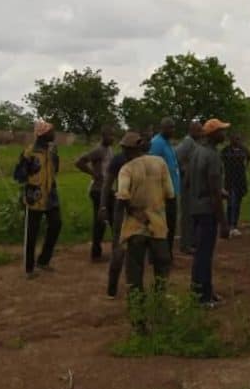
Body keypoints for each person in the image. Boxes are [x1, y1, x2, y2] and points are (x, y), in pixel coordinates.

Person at [116, 131, 175, 296]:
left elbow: (122, 195)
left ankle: (138, 313)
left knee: (134, 273)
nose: (123, 152)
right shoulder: (160, 163)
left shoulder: (126, 169)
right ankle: (159, 304)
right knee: (162, 269)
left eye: (124, 149)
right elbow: (170, 195)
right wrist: (168, 224)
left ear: (128, 149)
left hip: (136, 228)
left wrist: (134, 212)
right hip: (158, 226)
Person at [13, 119, 62, 278]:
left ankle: (43, 260)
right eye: (51, 131)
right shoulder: (29, 152)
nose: (54, 134)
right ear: (43, 134)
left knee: (56, 224)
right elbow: (18, 175)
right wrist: (29, 171)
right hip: (34, 196)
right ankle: (29, 269)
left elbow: (56, 169)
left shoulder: (53, 150)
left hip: (51, 196)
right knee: (31, 233)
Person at [189, 117, 229, 306]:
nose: (225, 134)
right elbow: (214, 191)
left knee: (200, 253)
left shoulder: (197, 151)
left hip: (196, 207)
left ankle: (204, 290)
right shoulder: (212, 155)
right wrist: (223, 222)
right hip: (207, 210)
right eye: (222, 131)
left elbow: (191, 180)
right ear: (214, 135)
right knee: (204, 255)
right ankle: (202, 298)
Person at [74, 124, 116, 261]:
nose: (112, 138)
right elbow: (79, 162)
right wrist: (93, 173)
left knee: (113, 220)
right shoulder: (98, 150)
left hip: (108, 189)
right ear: (103, 136)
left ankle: (113, 250)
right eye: (110, 135)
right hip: (98, 190)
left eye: (113, 135)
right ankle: (96, 254)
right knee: (100, 222)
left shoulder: (109, 149)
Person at [99, 133, 131, 298]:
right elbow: (107, 184)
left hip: (133, 208)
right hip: (123, 208)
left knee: (128, 249)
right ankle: (112, 289)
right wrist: (103, 206)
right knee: (119, 249)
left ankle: (120, 288)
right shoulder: (119, 160)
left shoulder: (140, 160)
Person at [148, 117, 182, 256]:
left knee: (170, 224)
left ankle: (166, 254)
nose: (173, 130)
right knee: (161, 224)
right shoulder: (157, 143)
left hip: (171, 190)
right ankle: (158, 255)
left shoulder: (167, 143)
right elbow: (151, 167)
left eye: (174, 127)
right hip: (161, 192)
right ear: (162, 128)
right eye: (170, 127)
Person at [174, 120, 202, 254]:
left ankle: (191, 242)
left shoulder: (195, 142)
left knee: (193, 214)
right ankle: (185, 245)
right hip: (187, 184)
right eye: (198, 130)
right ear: (191, 130)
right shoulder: (188, 142)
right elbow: (176, 156)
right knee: (186, 215)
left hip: (194, 184)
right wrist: (185, 170)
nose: (200, 132)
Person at [220, 133, 250, 236]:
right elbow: (220, 161)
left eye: (238, 139)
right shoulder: (225, 150)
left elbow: (249, 157)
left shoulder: (244, 149)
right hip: (229, 180)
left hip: (240, 180)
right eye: (235, 139)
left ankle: (235, 225)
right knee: (230, 202)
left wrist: (244, 167)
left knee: (238, 202)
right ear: (230, 140)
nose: (237, 141)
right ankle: (229, 225)